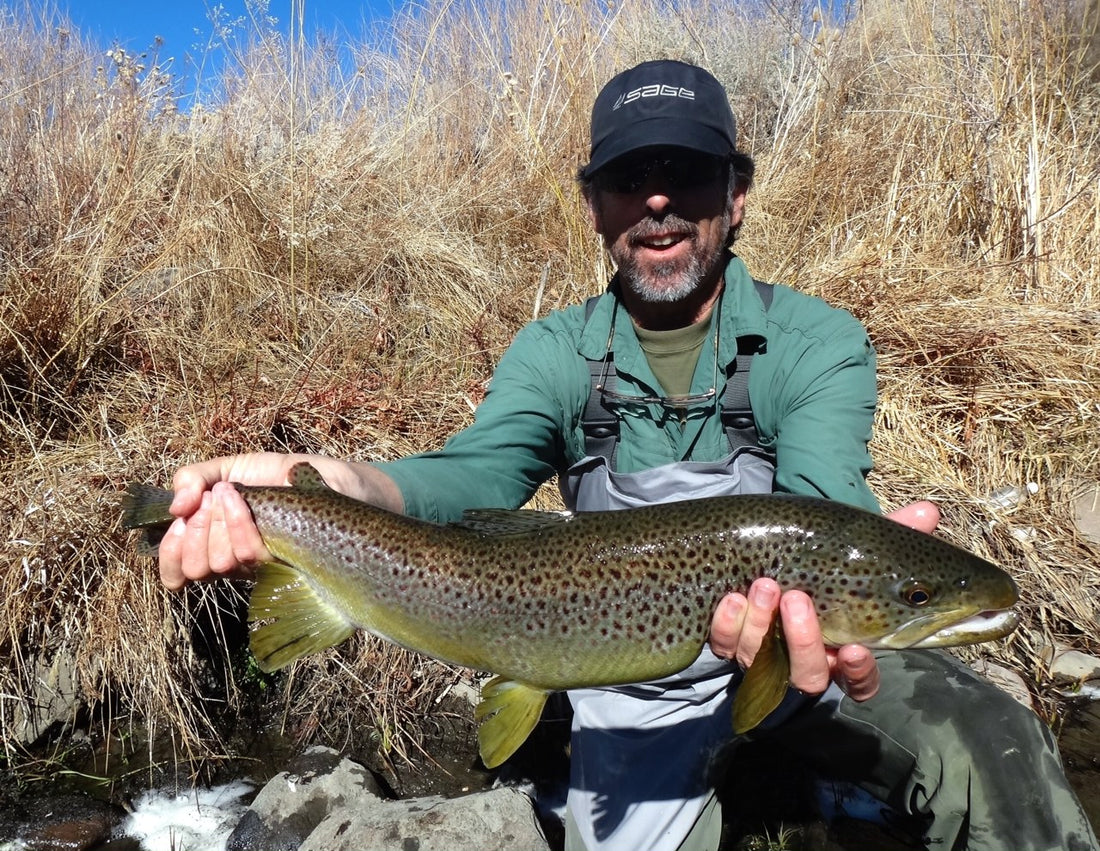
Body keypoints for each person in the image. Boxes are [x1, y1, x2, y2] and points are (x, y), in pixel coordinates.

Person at [155, 61, 1096, 851]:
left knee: (992, 735)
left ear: (736, 190)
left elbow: (821, 505)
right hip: (614, 685)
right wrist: (329, 485)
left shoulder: (817, 342)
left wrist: (869, 603)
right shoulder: (557, 351)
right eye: (627, 178)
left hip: (806, 673)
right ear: (595, 205)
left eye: (686, 172)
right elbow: (476, 476)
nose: (657, 200)